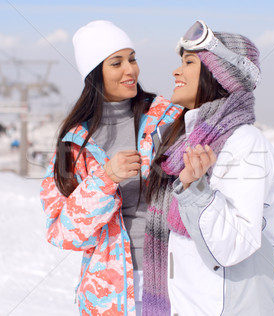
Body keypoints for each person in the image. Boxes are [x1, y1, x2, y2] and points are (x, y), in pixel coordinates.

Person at [145, 20, 274, 315]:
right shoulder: (183, 141)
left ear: (219, 75)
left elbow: (234, 244)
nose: (176, 71)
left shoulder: (245, 143)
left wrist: (193, 190)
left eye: (188, 63)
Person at [39, 20, 182, 315]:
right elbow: (63, 233)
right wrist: (104, 180)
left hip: (176, 282)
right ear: (94, 75)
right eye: (116, 63)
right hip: (109, 295)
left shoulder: (168, 119)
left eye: (132, 59)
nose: (130, 70)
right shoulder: (75, 143)